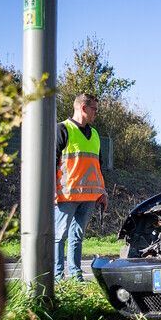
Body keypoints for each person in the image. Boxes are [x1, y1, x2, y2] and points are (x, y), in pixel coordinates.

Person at [54, 93, 108, 281]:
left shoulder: (94, 134)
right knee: (59, 237)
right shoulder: (62, 129)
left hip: (89, 197)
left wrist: (103, 192)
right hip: (65, 196)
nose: (96, 113)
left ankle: (76, 275)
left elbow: (98, 166)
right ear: (83, 108)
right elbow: (52, 162)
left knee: (77, 237)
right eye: (94, 109)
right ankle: (58, 276)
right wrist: (51, 190)